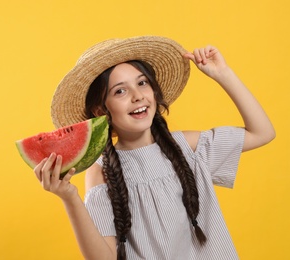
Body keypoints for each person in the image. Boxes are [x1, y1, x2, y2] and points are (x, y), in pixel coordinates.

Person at [34, 36, 275, 260]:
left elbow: (262, 133)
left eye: (142, 83)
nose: (137, 95)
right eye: (120, 91)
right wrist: (70, 198)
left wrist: (223, 73)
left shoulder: (187, 147)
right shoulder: (101, 172)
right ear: (101, 111)